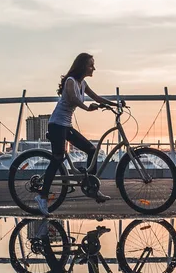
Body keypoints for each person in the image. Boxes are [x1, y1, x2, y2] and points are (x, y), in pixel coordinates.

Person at [35, 53, 121, 216]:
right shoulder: (70, 82)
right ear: (82, 66)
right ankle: (42, 196)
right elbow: (74, 99)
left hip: (66, 125)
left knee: (92, 150)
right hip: (57, 125)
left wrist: (115, 104)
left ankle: (92, 188)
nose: (93, 68)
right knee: (58, 158)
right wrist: (87, 108)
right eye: (91, 65)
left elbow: (96, 97)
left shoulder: (83, 83)